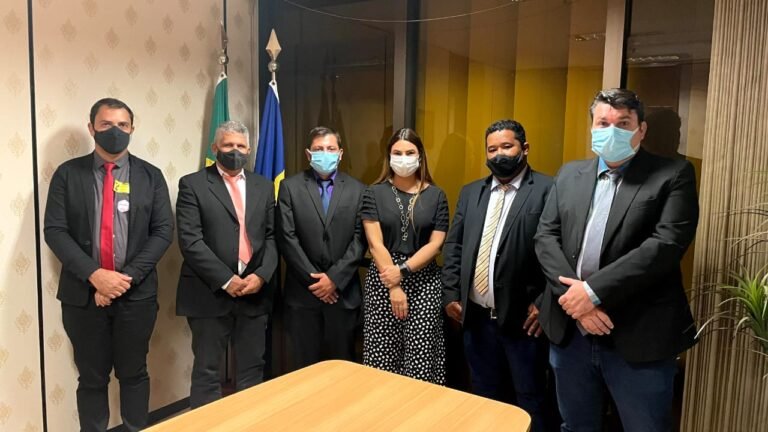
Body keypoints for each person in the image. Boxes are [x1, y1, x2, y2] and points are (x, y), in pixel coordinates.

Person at [535, 88, 699, 432]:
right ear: (592, 128)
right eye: (603, 123)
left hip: (639, 335)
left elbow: (666, 245)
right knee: (576, 426)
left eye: (623, 123)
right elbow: (546, 237)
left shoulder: (673, 174)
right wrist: (576, 301)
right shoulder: (569, 175)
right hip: (572, 334)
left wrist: (591, 292)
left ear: (642, 129)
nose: (612, 131)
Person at [43, 98, 173, 432]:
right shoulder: (67, 174)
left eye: (122, 125)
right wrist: (95, 276)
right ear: (91, 128)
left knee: (134, 374)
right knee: (91, 379)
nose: (115, 131)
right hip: (83, 297)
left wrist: (122, 280)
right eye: (106, 124)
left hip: (137, 296)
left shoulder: (151, 176)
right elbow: (55, 231)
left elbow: (162, 232)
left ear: (132, 129)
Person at [442, 119, 553, 432]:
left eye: (507, 146)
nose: (499, 154)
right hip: (476, 320)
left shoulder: (548, 190)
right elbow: (454, 245)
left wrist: (544, 303)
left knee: (530, 399)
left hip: (523, 322)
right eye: (492, 149)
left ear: (524, 148)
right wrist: (451, 294)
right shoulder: (471, 192)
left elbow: (560, 252)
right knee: (485, 397)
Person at [175, 120, 278, 408]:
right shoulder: (192, 184)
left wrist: (261, 276)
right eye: (228, 145)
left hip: (254, 292)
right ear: (215, 148)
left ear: (249, 149)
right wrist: (227, 279)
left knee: (252, 369)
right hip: (209, 293)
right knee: (207, 371)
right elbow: (191, 241)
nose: (235, 151)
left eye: (241, 146)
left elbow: (272, 236)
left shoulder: (263, 186)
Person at [360, 127, 448, 384]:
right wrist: (394, 284)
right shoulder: (373, 192)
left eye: (410, 153)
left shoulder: (437, 195)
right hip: (383, 281)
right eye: (397, 153)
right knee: (381, 358)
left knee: (421, 357)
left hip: (424, 282)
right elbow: (375, 243)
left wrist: (404, 270)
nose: (403, 158)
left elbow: (436, 243)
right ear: (388, 156)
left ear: (420, 156)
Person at [277, 126, 367, 370]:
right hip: (303, 296)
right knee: (304, 369)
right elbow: (287, 237)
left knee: (343, 368)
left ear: (340, 153)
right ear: (308, 154)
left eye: (330, 148)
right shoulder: (290, 187)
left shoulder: (359, 190)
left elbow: (360, 239)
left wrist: (334, 280)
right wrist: (317, 282)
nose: (324, 153)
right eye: (318, 149)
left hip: (343, 295)